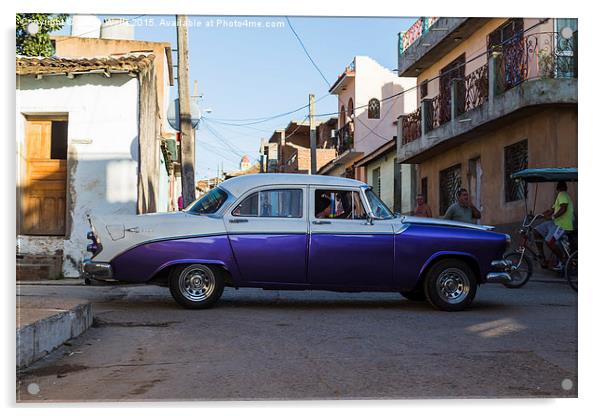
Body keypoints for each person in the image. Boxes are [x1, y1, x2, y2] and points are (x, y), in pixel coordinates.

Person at [534, 181, 574, 271]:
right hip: (555, 223)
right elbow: (551, 210)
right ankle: (542, 257)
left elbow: (564, 208)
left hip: (563, 226)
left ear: (558, 189)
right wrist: (538, 216)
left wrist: (552, 217)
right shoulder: (559, 197)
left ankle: (563, 260)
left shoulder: (562, 194)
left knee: (549, 241)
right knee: (536, 231)